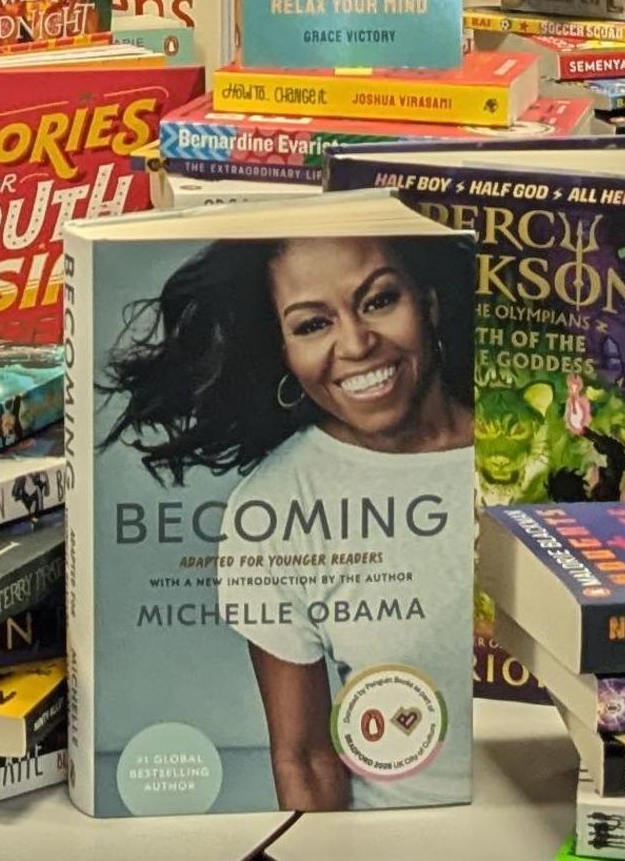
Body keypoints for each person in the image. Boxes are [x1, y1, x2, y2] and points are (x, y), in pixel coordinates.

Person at [97, 230, 478, 812]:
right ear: (282, 351)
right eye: (311, 325)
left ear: (427, 305)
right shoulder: (275, 507)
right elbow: (304, 758)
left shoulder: (551, 444)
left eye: (378, 301)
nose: (355, 343)